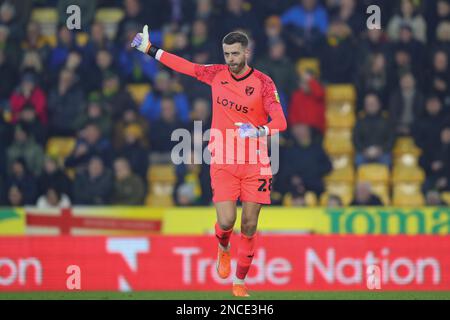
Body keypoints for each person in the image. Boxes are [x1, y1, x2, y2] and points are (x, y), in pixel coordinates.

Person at [131, 26, 287, 296]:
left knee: (249, 225)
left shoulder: (264, 82)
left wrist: (260, 130)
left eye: (235, 54)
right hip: (223, 158)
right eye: (226, 54)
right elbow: (186, 67)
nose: (230, 59)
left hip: (256, 161)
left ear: (246, 52)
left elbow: (281, 121)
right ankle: (223, 246)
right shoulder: (216, 74)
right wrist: (150, 49)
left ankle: (239, 282)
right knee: (227, 221)